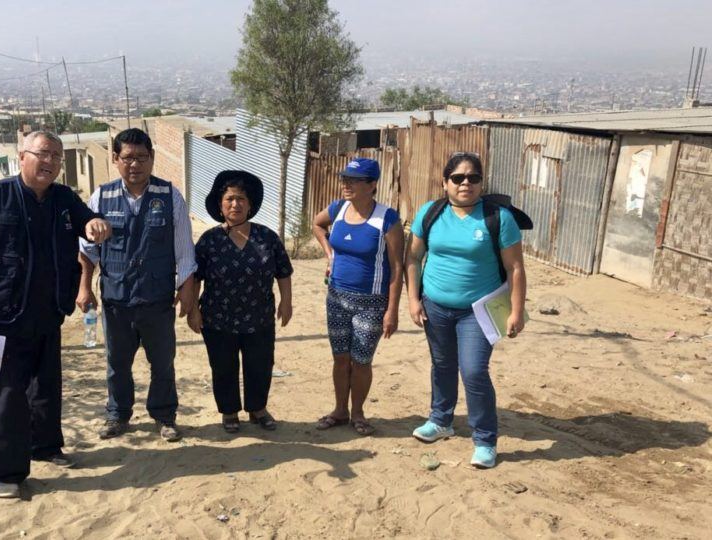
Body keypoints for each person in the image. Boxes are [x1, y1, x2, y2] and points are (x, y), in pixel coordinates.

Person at [0, 130, 111, 499]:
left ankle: (46, 447)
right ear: (22, 156)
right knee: (1, 396)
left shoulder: (64, 199)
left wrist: (96, 225)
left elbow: (91, 222)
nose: (51, 161)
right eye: (43, 154)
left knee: (45, 389)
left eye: (57, 156)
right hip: (1, 315)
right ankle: (6, 473)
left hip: (47, 313)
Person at [406, 152, 527, 469]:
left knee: (473, 371)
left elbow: (515, 268)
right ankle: (440, 420)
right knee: (442, 365)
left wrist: (516, 311)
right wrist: (413, 299)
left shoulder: (498, 217)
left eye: (473, 177)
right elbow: (413, 258)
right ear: (445, 182)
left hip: (478, 311)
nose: (466, 184)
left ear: (481, 182)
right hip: (436, 306)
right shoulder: (430, 213)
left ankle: (485, 440)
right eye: (458, 178)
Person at [78, 128, 197, 443]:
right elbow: (87, 251)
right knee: (117, 364)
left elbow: (185, 250)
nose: (135, 165)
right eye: (128, 157)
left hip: (157, 300)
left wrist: (187, 290)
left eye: (142, 157)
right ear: (115, 159)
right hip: (116, 301)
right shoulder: (101, 197)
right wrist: (85, 287)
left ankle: (164, 416)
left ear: (152, 159)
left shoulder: (169, 196)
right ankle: (118, 415)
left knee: (162, 363)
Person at [187, 171, 293, 433]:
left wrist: (286, 302)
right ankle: (229, 412)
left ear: (250, 204)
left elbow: (283, 271)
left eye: (241, 199)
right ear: (221, 205)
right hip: (217, 317)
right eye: (230, 199)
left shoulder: (266, 237)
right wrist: (192, 311)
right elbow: (195, 277)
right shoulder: (209, 241)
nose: (236, 204)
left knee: (260, 364)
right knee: (223, 366)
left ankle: (258, 409)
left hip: (259, 316)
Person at [311, 158, 404, 436]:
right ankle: (340, 410)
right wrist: (330, 254)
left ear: (372, 185)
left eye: (354, 180)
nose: (346, 184)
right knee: (340, 358)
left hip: (372, 304)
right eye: (345, 179)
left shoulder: (387, 219)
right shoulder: (338, 209)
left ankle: (358, 413)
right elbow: (317, 225)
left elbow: (397, 267)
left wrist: (392, 311)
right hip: (336, 298)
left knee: (361, 361)